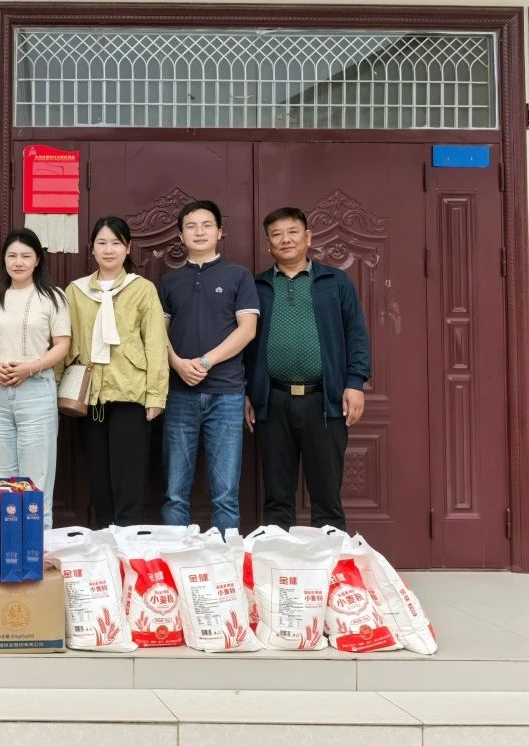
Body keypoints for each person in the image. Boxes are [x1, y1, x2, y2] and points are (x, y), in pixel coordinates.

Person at [244, 206, 370, 531]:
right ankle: (279, 560)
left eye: (293, 232)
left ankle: (329, 561)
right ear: (268, 244)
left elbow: (356, 334)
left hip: (324, 401)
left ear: (308, 237)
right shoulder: (257, 287)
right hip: (272, 401)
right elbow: (244, 343)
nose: (285, 240)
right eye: (276, 234)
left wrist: (355, 382)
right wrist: (247, 392)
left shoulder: (334, 282)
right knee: (277, 496)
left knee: (327, 496)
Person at [159, 200, 259, 533]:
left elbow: (247, 330)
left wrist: (205, 362)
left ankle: (225, 560)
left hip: (226, 395)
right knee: (175, 493)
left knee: (225, 494)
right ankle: (175, 558)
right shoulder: (169, 281)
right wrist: (176, 363)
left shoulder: (238, 276)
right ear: (180, 235)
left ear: (220, 232)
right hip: (179, 395)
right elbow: (157, 334)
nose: (199, 232)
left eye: (206, 225)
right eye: (191, 226)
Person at [65, 216, 169, 527]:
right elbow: (65, 341)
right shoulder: (76, 291)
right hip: (90, 397)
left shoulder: (142, 289)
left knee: (129, 478)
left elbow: (155, 343)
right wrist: (55, 387)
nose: (108, 249)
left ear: (128, 248)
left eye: (116, 243)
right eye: (102, 243)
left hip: (130, 393)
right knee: (98, 478)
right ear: (92, 249)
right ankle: (104, 542)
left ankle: (127, 543)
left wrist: (156, 395)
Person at [0, 228, 70, 526]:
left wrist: (29, 368)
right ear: (4, 259)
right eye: (12, 256)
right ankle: (6, 539)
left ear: (37, 260)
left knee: (36, 474)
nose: (18, 262)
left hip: (36, 389)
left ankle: (37, 541)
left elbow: (62, 345)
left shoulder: (53, 297)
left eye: (25, 256)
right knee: (2, 473)